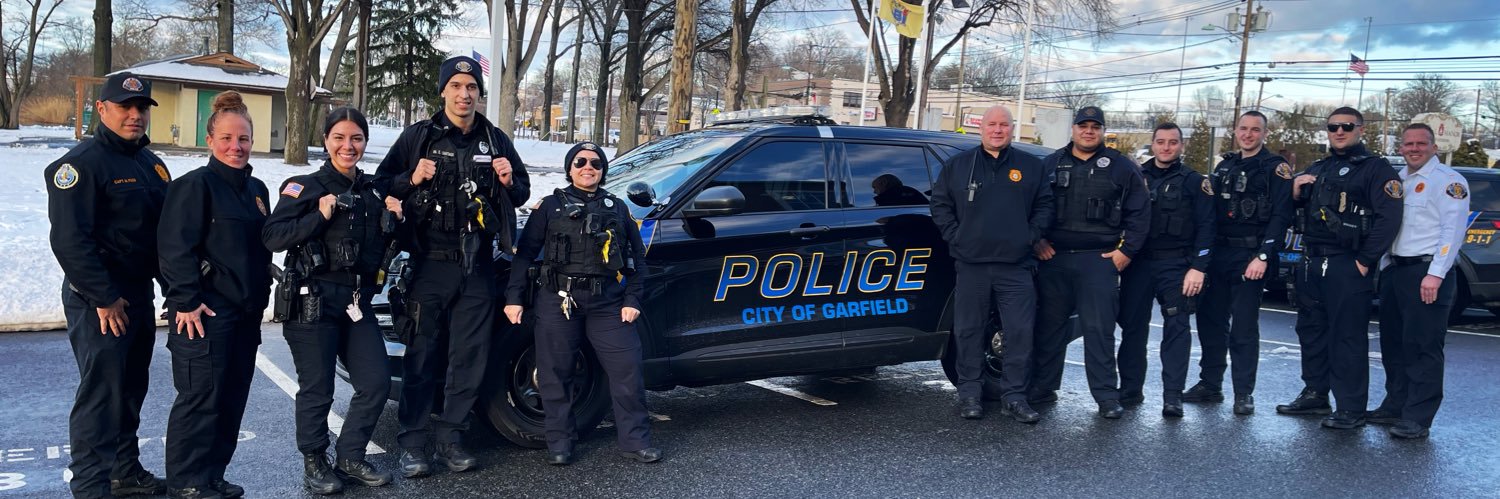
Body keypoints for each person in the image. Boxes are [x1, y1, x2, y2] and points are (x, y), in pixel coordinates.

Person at [374, 55, 530, 477]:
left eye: (472, 88)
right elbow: (380, 183)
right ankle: (412, 444)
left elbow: (522, 192)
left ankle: (451, 437)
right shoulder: (418, 138)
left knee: (469, 357)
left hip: (477, 264)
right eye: (457, 86)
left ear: (479, 94)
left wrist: (507, 180)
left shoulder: (495, 140)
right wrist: (412, 179)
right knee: (422, 355)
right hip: (430, 264)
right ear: (443, 90)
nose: (464, 94)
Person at [46, 72, 170, 499]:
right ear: (102, 109)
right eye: (124, 107)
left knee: (132, 386)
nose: (134, 115)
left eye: (141, 108)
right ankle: (90, 485)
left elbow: (159, 236)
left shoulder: (151, 164)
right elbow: (68, 240)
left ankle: (124, 470)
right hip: (99, 299)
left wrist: (176, 288)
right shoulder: (79, 165)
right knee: (101, 394)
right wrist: (103, 297)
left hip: (136, 295)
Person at [262, 107, 396, 493]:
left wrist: (395, 219)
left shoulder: (372, 193)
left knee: (375, 381)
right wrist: (318, 217)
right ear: (325, 141)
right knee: (317, 389)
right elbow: (272, 237)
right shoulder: (303, 186)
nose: (348, 146)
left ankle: (351, 456)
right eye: (339, 137)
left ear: (365, 143)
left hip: (355, 303)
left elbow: (381, 249)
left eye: (356, 138)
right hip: (313, 301)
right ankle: (315, 460)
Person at [503, 142, 659, 464]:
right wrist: (514, 298)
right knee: (554, 374)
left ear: (603, 170)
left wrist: (632, 299)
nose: (588, 167)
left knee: (627, 370)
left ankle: (635, 441)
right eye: (580, 162)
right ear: (569, 169)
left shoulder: (617, 208)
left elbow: (638, 260)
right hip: (560, 300)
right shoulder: (549, 207)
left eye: (595, 163)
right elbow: (525, 255)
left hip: (608, 302)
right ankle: (560, 444)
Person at [157, 91, 273, 499]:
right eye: (226, 138)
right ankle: (186, 482)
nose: (235, 147)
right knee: (200, 400)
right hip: (204, 314)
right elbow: (174, 249)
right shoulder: (194, 187)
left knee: (231, 399)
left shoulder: (257, 190)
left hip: (244, 315)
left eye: (243, 138)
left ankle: (212, 476)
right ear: (209, 140)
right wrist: (185, 300)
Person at [929, 105, 1053, 423]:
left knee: (1020, 331)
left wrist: (1029, 236)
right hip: (972, 264)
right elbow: (940, 205)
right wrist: (957, 237)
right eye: (991, 125)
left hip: (1016, 265)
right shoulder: (958, 166)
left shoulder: (1029, 167)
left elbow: (1045, 205)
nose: (997, 130)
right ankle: (970, 395)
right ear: (981, 129)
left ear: (1012, 129)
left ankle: (1015, 396)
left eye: (1004, 125)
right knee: (969, 331)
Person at [1283, 106, 1402, 429]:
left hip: (1347, 262)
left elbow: (1389, 218)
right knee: (1311, 330)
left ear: (1360, 129)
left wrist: (1365, 261)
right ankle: (1316, 394)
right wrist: (1294, 191)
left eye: (1346, 126)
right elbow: (1298, 209)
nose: (1339, 131)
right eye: (1333, 126)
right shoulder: (1319, 167)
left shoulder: (1375, 169)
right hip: (1310, 259)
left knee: (1346, 337)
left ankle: (1350, 407)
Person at [1029, 106, 1150, 419]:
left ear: (1102, 131)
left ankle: (1106, 397)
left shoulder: (1122, 167)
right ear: (1073, 129)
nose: (1088, 131)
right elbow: (1029, 207)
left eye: (1095, 127)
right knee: (1049, 328)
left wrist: (1127, 253)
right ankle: (1042, 388)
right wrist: (1037, 241)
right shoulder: (1050, 163)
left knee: (1099, 332)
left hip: (1098, 261)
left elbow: (1140, 213)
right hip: (1054, 258)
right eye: (1083, 126)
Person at [1188, 111, 1293, 415]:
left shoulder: (1276, 169)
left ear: (1265, 134)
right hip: (1219, 254)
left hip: (1250, 257)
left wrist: (1263, 255)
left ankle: (1243, 393)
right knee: (1210, 321)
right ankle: (1210, 383)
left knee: (1244, 328)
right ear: (1235, 131)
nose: (1248, 134)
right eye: (1243, 129)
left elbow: (1281, 216)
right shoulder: (1226, 165)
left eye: (1255, 130)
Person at [1371, 124, 1468, 439]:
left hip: (1426, 273)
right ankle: (1395, 405)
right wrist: (1386, 264)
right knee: (1394, 344)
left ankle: (1419, 416)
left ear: (1434, 146)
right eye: (1408, 144)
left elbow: (1452, 232)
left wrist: (1435, 274)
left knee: (1422, 346)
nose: (1414, 148)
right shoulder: (1398, 180)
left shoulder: (1449, 182)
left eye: (1421, 143)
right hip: (1397, 271)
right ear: (1401, 147)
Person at [1115, 122, 1215, 418]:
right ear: (1153, 144)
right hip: (1139, 262)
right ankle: (1130, 390)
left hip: (1176, 264)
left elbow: (1208, 227)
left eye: (1173, 142)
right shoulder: (1136, 177)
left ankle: (1172, 396)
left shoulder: (1195, 182)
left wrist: (1198, 267)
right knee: (1132, 327)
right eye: (1161, 142)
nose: (1166, 147)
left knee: (1177, 329)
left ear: (1181, 146)